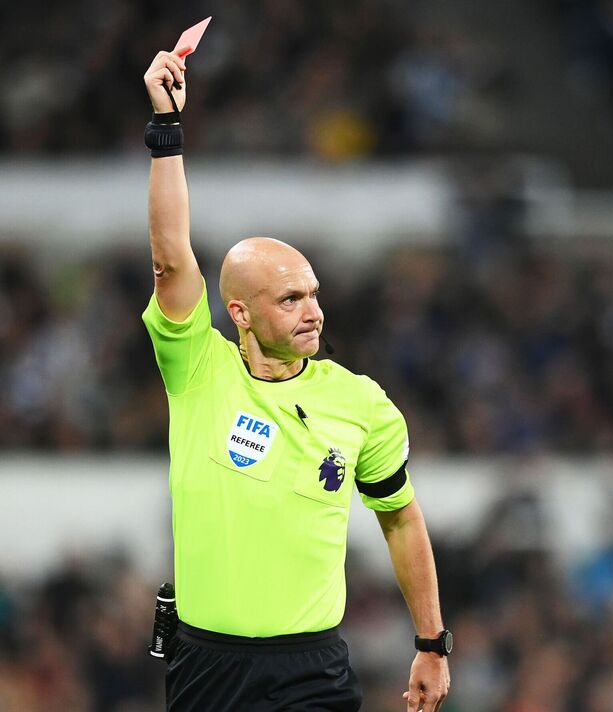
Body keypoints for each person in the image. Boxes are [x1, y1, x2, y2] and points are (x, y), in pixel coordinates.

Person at [140, 50, 451, 711]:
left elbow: (400, 518)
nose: (313, 311)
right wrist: (165, 129)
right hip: (206, 666)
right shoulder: (199, 368)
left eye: (313, 293)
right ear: (240, 313)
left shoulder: (360, 403)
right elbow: (170, 259)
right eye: (289, 299)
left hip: (309, 669)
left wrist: (432, 641)